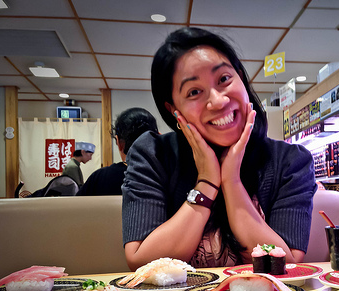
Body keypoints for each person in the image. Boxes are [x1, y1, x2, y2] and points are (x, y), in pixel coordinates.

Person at [122, 27, 317, 271]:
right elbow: (141, 261)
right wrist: (207, 182)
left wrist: (232, 182)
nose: (219, 101)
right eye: (194, 92)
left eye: (224, 79)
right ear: (174, 110)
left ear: (241, 79)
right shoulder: (153, 155)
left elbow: (288, 263)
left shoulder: (290, 162)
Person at [77, 108, 159, 196]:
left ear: (118, 142)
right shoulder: (166, 176)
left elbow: (73, 207)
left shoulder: (99, 178)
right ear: (157, 138)